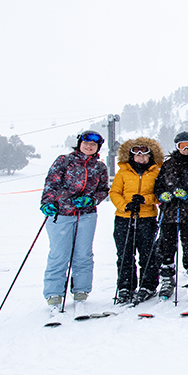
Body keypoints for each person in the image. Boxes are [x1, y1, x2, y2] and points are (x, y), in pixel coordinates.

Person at [40, 130, 110, 307]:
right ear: (79, 143)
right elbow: (51, 183)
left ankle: (81, 290)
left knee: (83, 255)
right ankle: (54, 293)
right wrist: (47, 202)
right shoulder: (64, 161)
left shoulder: (100, 167)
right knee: (59, 254)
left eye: (93, 145)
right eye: (86, 143)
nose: (89, 146)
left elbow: (103, 190)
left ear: (97, 148)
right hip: (61, 214)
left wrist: (91, 199)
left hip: (86, 215)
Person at [109, 137, 164, 304]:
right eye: (137, 154)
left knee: (147, 253)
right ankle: (126, 285)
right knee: (125, 253)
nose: (141, 158)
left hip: (147, 217)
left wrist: (145, 199)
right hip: (124, 217)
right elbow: (114, 192)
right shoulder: (123, 172)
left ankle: (148, 285)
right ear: (131, 155)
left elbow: (160, 194)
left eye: (144, 154)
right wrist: (125, 205)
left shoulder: (156, 172)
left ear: (150, 155)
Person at [154, 131, 188, 301]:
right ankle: (167, 277)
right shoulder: (168, 165)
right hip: (169, 212)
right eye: (182, 146)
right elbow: (158, 185)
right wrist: (162, 195)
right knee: (167, 245)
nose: (186, 149)